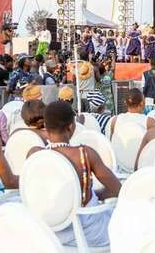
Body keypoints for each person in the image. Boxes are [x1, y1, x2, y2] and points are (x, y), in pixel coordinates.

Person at [27, 101, 121, 247]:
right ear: (71, 127)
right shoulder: (84, 154)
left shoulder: (34, 154)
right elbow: (116, 188)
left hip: (49, 233)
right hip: (88, 233)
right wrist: (93, 195)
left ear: (46, 125)